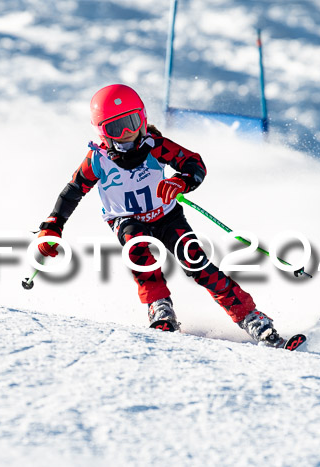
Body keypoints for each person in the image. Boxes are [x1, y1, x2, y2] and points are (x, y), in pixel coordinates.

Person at [36, 84, 283, 346]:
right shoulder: (98, 159)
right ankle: (159, 308)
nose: (128, 134)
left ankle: (252, 318)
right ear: (102, 132)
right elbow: (73, 191)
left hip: (167, 217)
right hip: (127, 219)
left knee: (197, 263)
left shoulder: (156, 146)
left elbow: (194, 164)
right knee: (138, 248)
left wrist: (181, 182)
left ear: (143, 118)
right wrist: (53, 224)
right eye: (116, 129)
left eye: (132, 122)